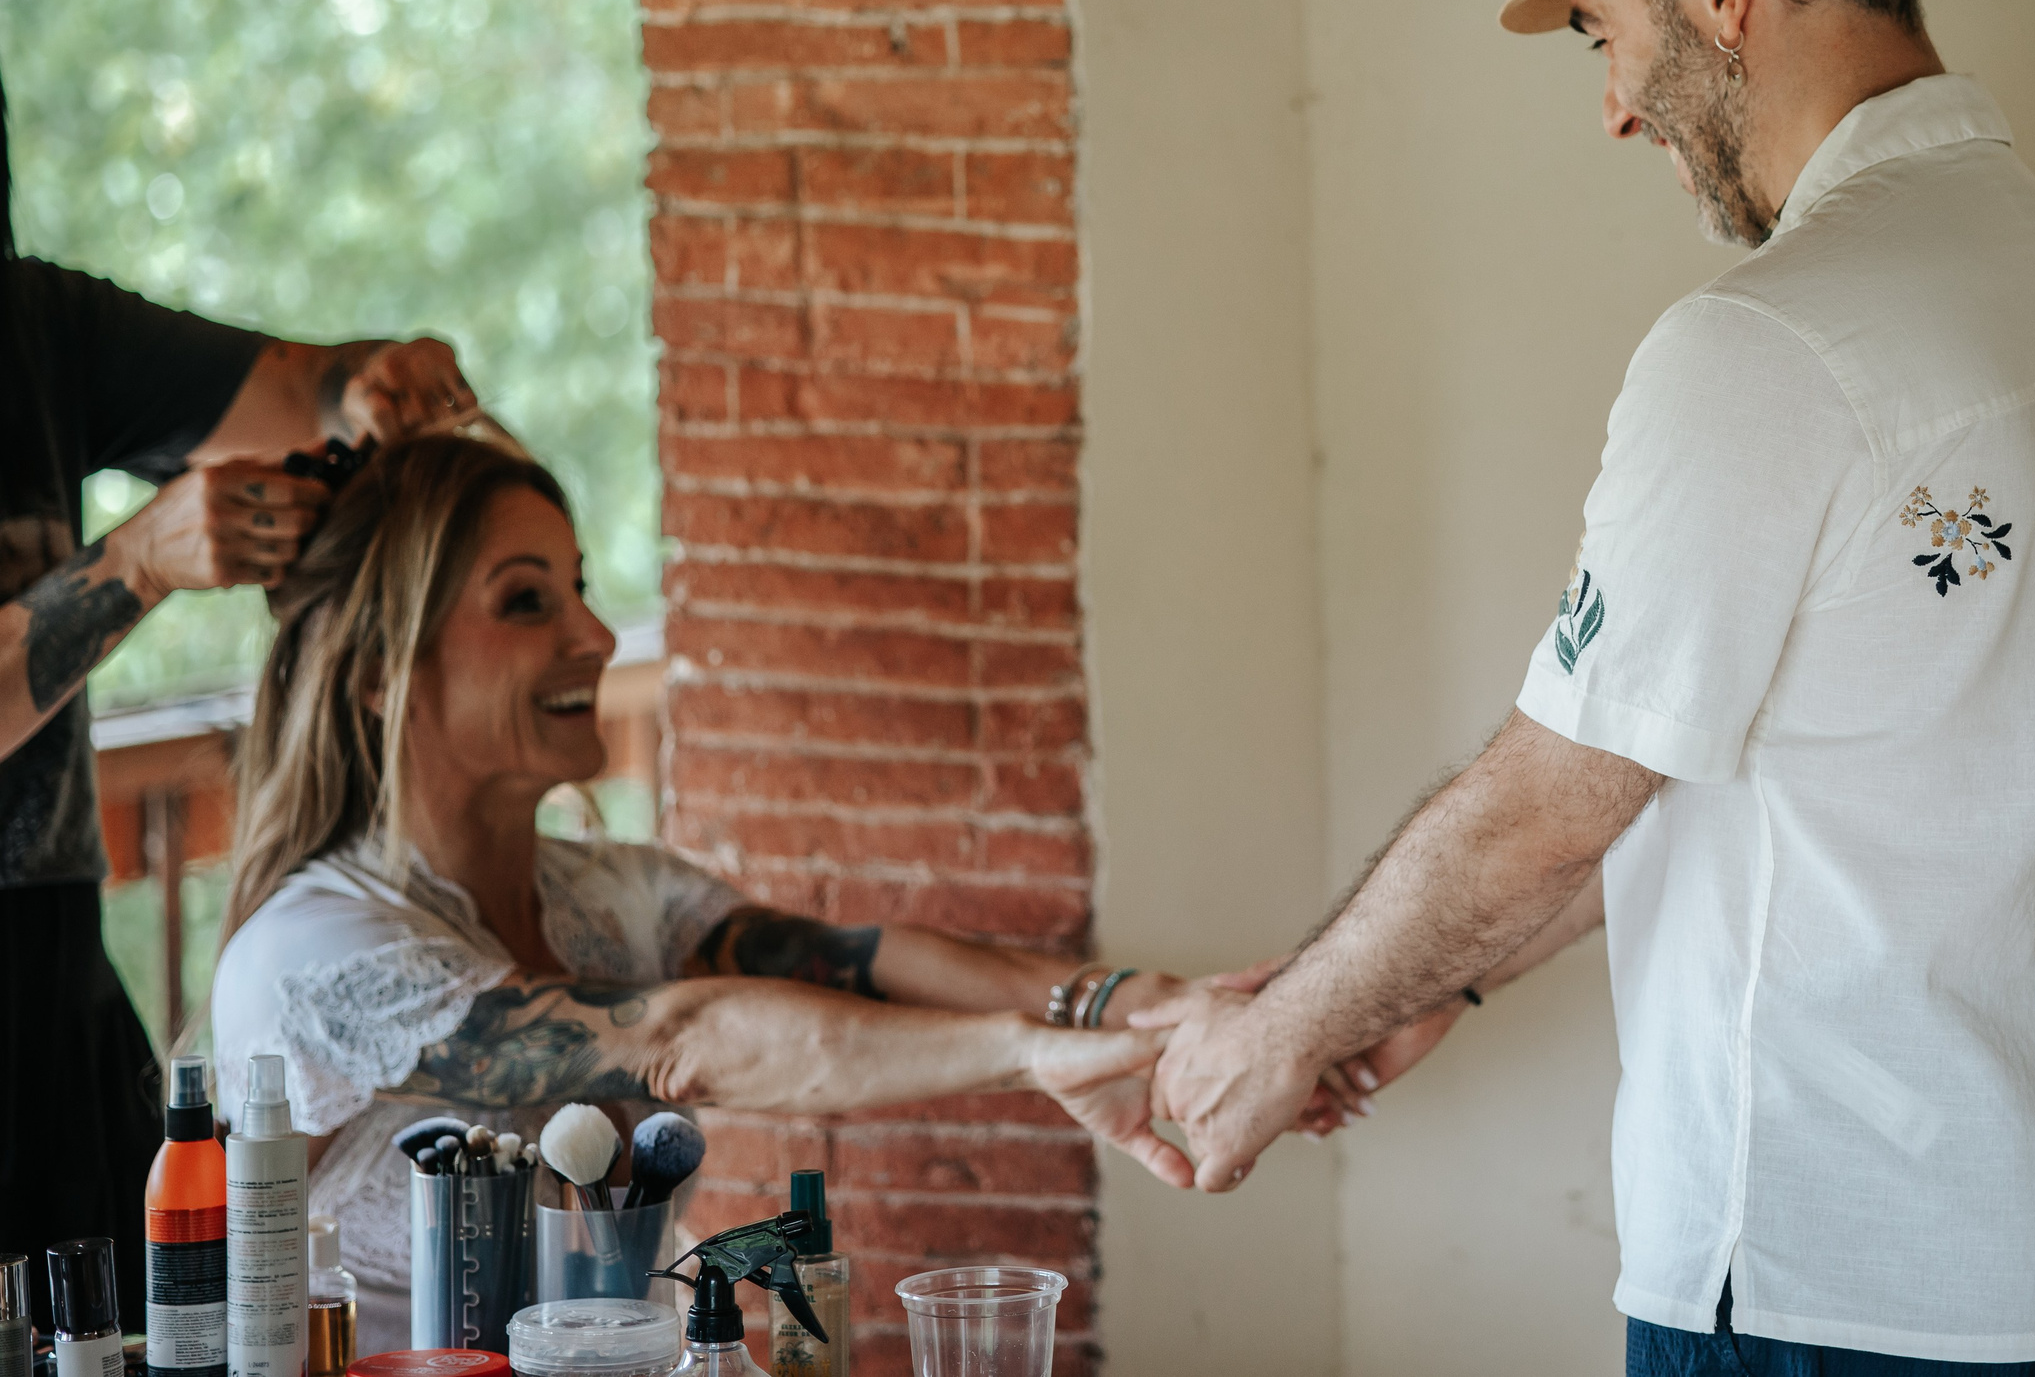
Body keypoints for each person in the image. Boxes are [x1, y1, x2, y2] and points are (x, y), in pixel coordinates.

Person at [1136, 0, 2035, 1373]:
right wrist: (1444, 983)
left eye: (1606, 32)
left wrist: (1281, 1030)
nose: (1615, 104)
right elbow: (1763, 757)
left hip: (1823, 1276)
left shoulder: (1770, 342)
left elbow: (1550, 797)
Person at [210, 432, 1364, 1351]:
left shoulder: (615, 898)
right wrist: (1028, 1056)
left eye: (579, 590)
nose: (597, 635)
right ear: (375, 673)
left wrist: (1145, 1007)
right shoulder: (315, 953)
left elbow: (849, 957)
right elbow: (683, 1036)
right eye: (527, 603)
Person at [0, 73, 485, 1333]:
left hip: (51, 969)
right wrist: (135, 561)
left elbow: (299, 385)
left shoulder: (38, 322)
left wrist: (371, 385)